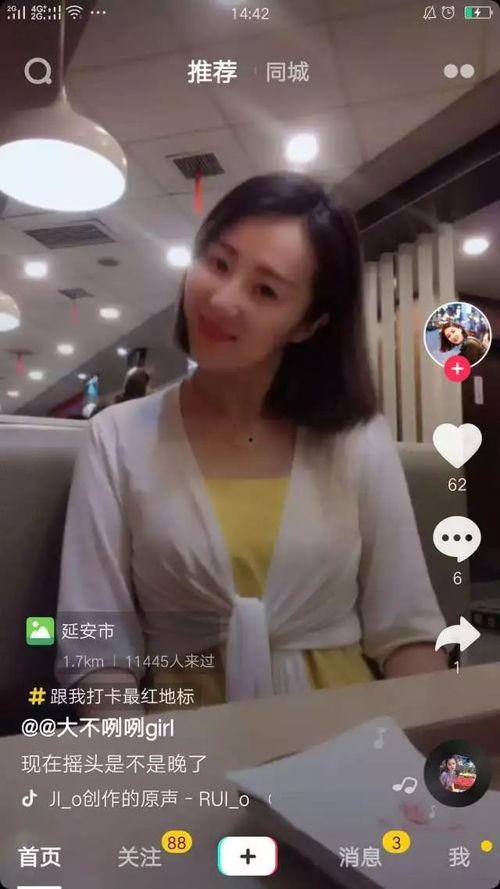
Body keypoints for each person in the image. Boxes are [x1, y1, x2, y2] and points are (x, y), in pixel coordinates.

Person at [55, 171, 447, 714]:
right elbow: (95, 652)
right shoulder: (116, 436)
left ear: (307, 324)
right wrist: (145, 764)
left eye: (266, 290)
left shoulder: (356, 438)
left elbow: (408, 634)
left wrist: (422, 755)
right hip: (189, 743)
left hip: (351, 733)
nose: (221, 299)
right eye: (218, 263)